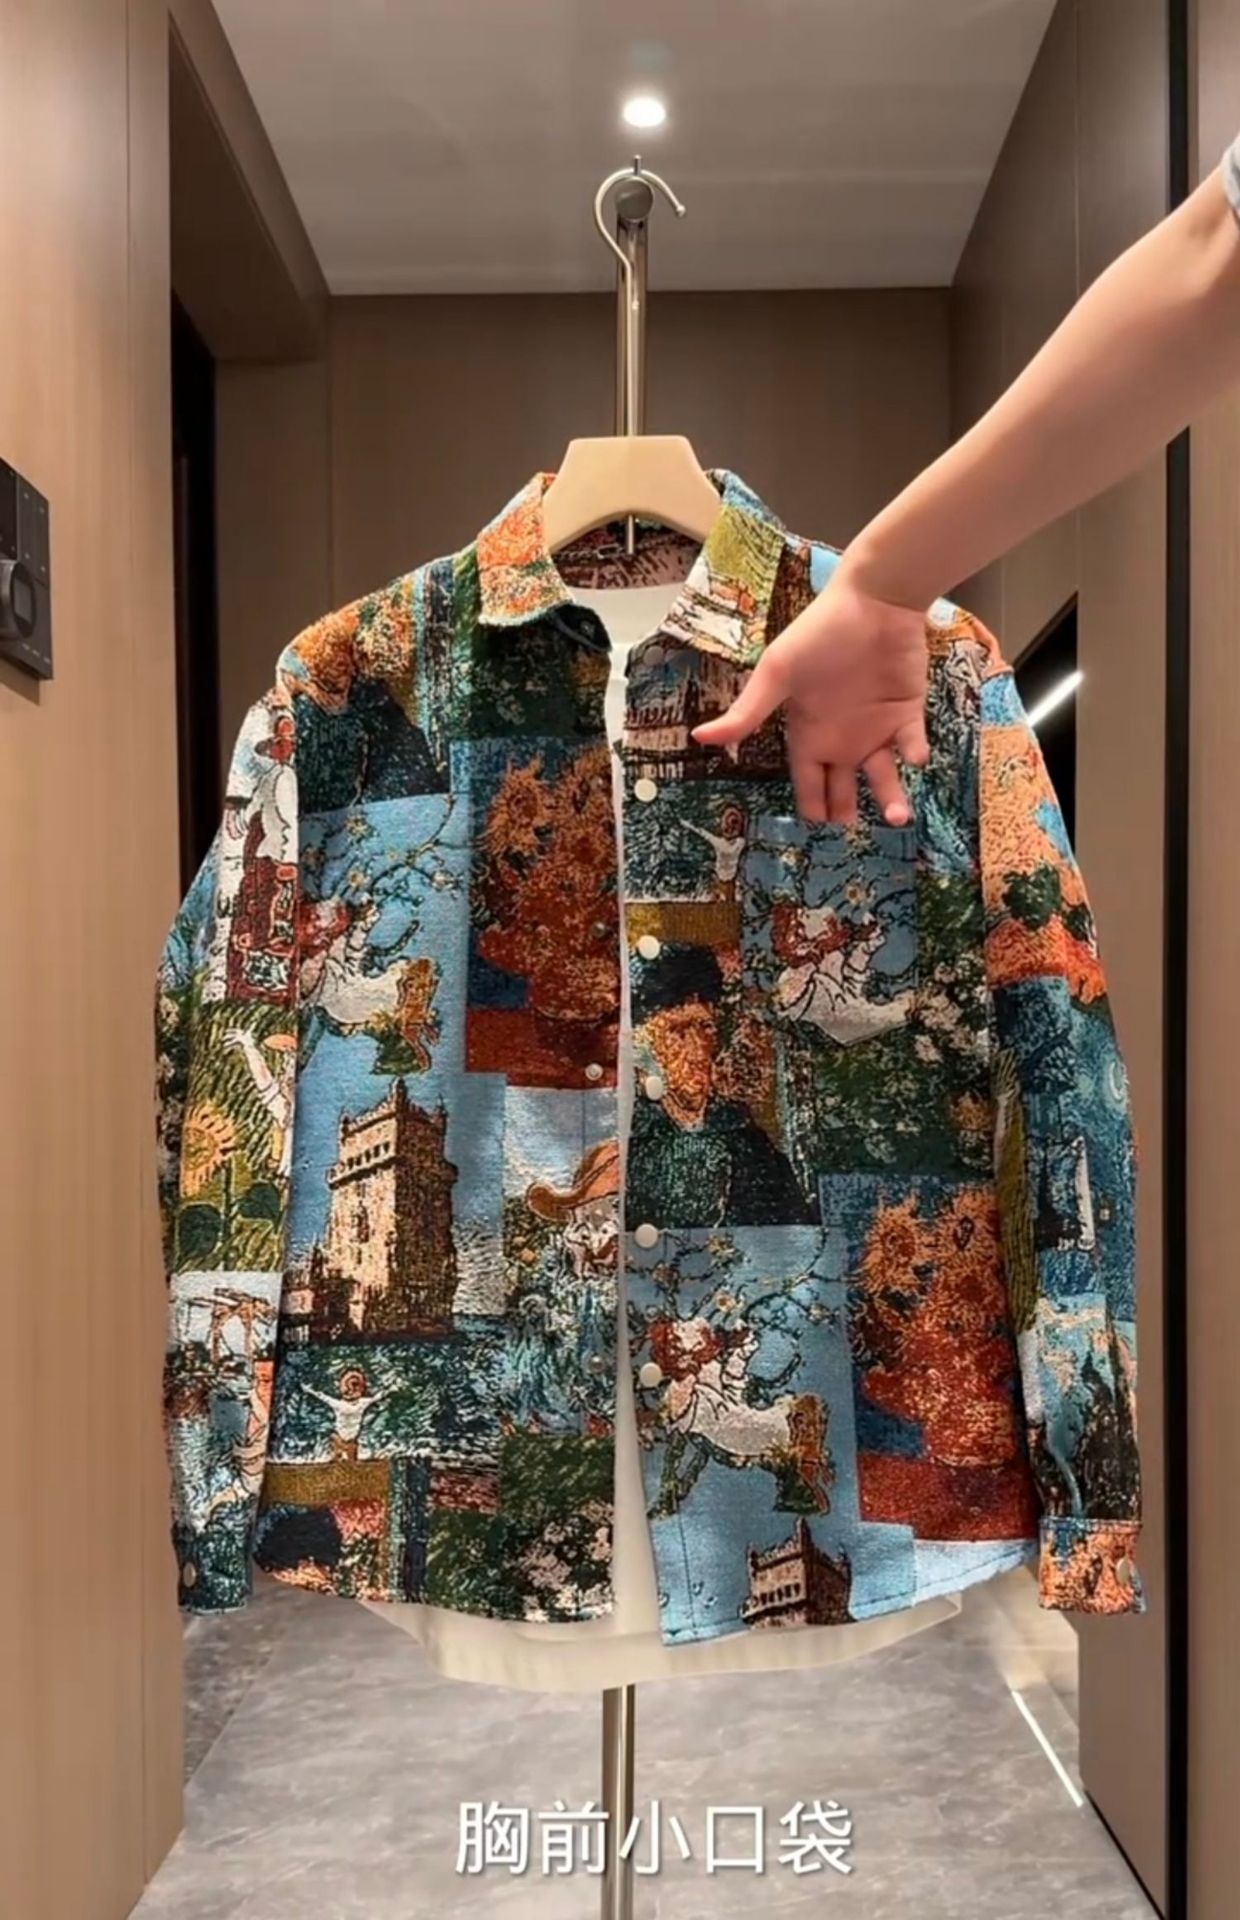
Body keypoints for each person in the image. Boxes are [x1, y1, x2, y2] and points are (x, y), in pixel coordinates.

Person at [693, 135, 1240, 826]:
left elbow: (1210, 260)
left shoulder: (956, 659)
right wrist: (885, 580)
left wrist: (885, 581)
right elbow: (1210, 261)